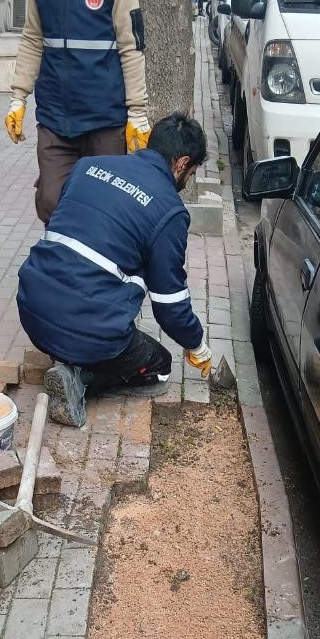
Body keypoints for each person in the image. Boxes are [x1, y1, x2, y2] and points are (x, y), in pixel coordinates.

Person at [17, 112, 213, 428]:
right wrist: (197, 345)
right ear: (181, 164)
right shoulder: (169, 210)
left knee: (99, 311)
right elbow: (170, 307)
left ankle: (69, 358)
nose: (187, 182)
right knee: (160, 367)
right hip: (89, 329)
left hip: (31, 309)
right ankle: (79, 378)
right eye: (190, 174)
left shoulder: (88, 166)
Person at [5, 0, 149, 226]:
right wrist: (18, 98)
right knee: (52, 202)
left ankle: (101, 276)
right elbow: (32, 38)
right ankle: (66, 272)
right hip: (56, 119)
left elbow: (131, 47)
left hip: (106, 121)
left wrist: (138, 113)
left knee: (106, 210)